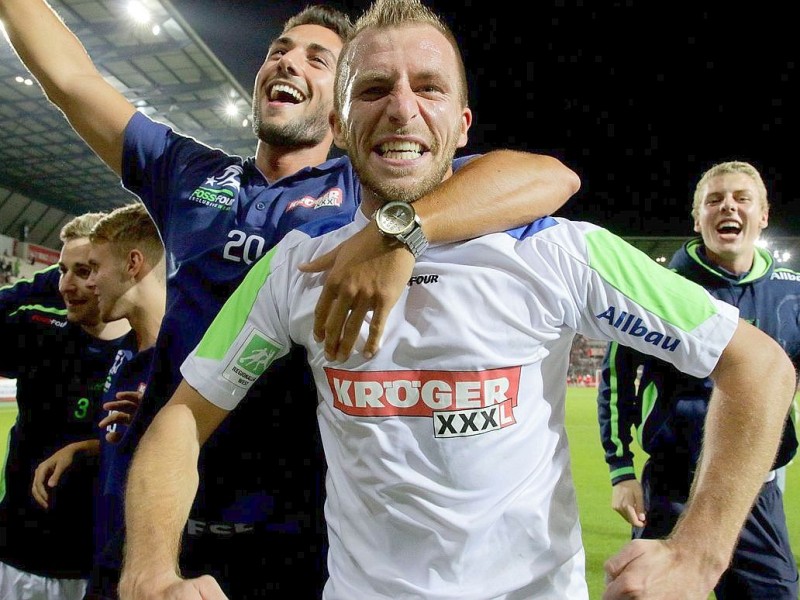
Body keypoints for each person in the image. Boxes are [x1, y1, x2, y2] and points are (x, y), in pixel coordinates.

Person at [120, 2, 798, 598]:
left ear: (463, 123)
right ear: (343, 120)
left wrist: (699, 554)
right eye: (375, 88)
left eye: (429, 88)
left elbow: (759, 368)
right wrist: (150, 569)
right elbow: (183, 416)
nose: (402, 107)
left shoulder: (558, 251)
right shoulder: (296, 268)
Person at [0, 2, 581, 596]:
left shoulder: (372, 185)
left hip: (299, 534)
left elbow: (548, 178)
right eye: (279, 50)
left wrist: (397, 227)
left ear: (346, 104)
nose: (287, 61)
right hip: (159, 519)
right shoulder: (186, 173)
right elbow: (70, 79)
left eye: (317, 58)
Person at [597, 160, 800, 599]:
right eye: (715, 200)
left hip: (754, 489)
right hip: (671, 485)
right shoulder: (659, 285)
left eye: (742, 198)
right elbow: (616, 378)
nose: (728, 206)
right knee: (649, 590)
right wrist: (621, 472)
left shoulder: (792, 291)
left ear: (763, 215)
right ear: (698, 218)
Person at [29, 202, 166, 599]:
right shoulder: (124, 355)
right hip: (105, 564)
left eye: (94, 269)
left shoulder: (187, 357)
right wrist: (84, 448)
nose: (89, 285)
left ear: (133, 264)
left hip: (146, 574)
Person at [0, 212, 134, 600]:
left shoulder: (147, 349)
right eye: (62, 270)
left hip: (98, 565)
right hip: (17, 556)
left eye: (85, 270)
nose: (66, 285)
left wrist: (90, 448)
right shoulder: (39, 332)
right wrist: (47, 282)